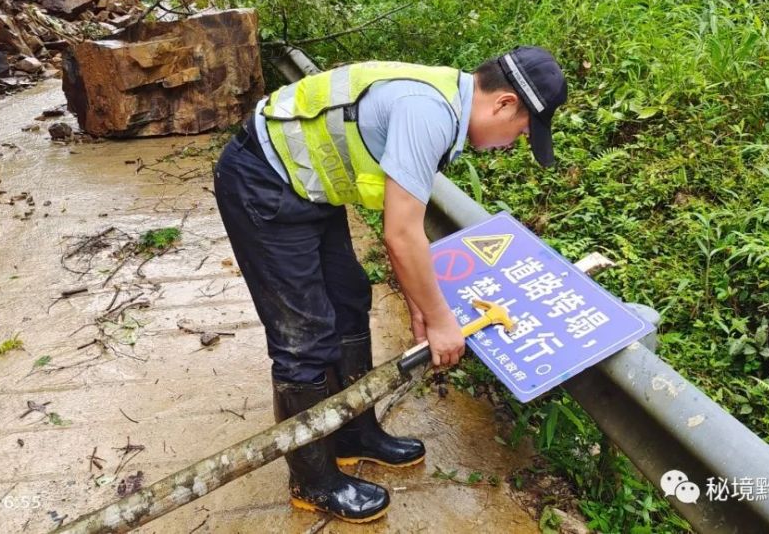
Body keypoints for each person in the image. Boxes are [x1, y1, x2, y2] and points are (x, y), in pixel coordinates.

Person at [212, 47, 568, 523]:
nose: (513, 143)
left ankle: (354, 432)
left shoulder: (444, 99)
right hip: (261, 182)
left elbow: (403, 230)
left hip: (307, 185)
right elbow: (401, 234)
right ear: (503, 104)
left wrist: (424, 303)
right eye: (521, 131)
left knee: (350, 298)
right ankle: (312, 480)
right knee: (304, 338)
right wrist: (442, 321)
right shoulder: (429, 114)